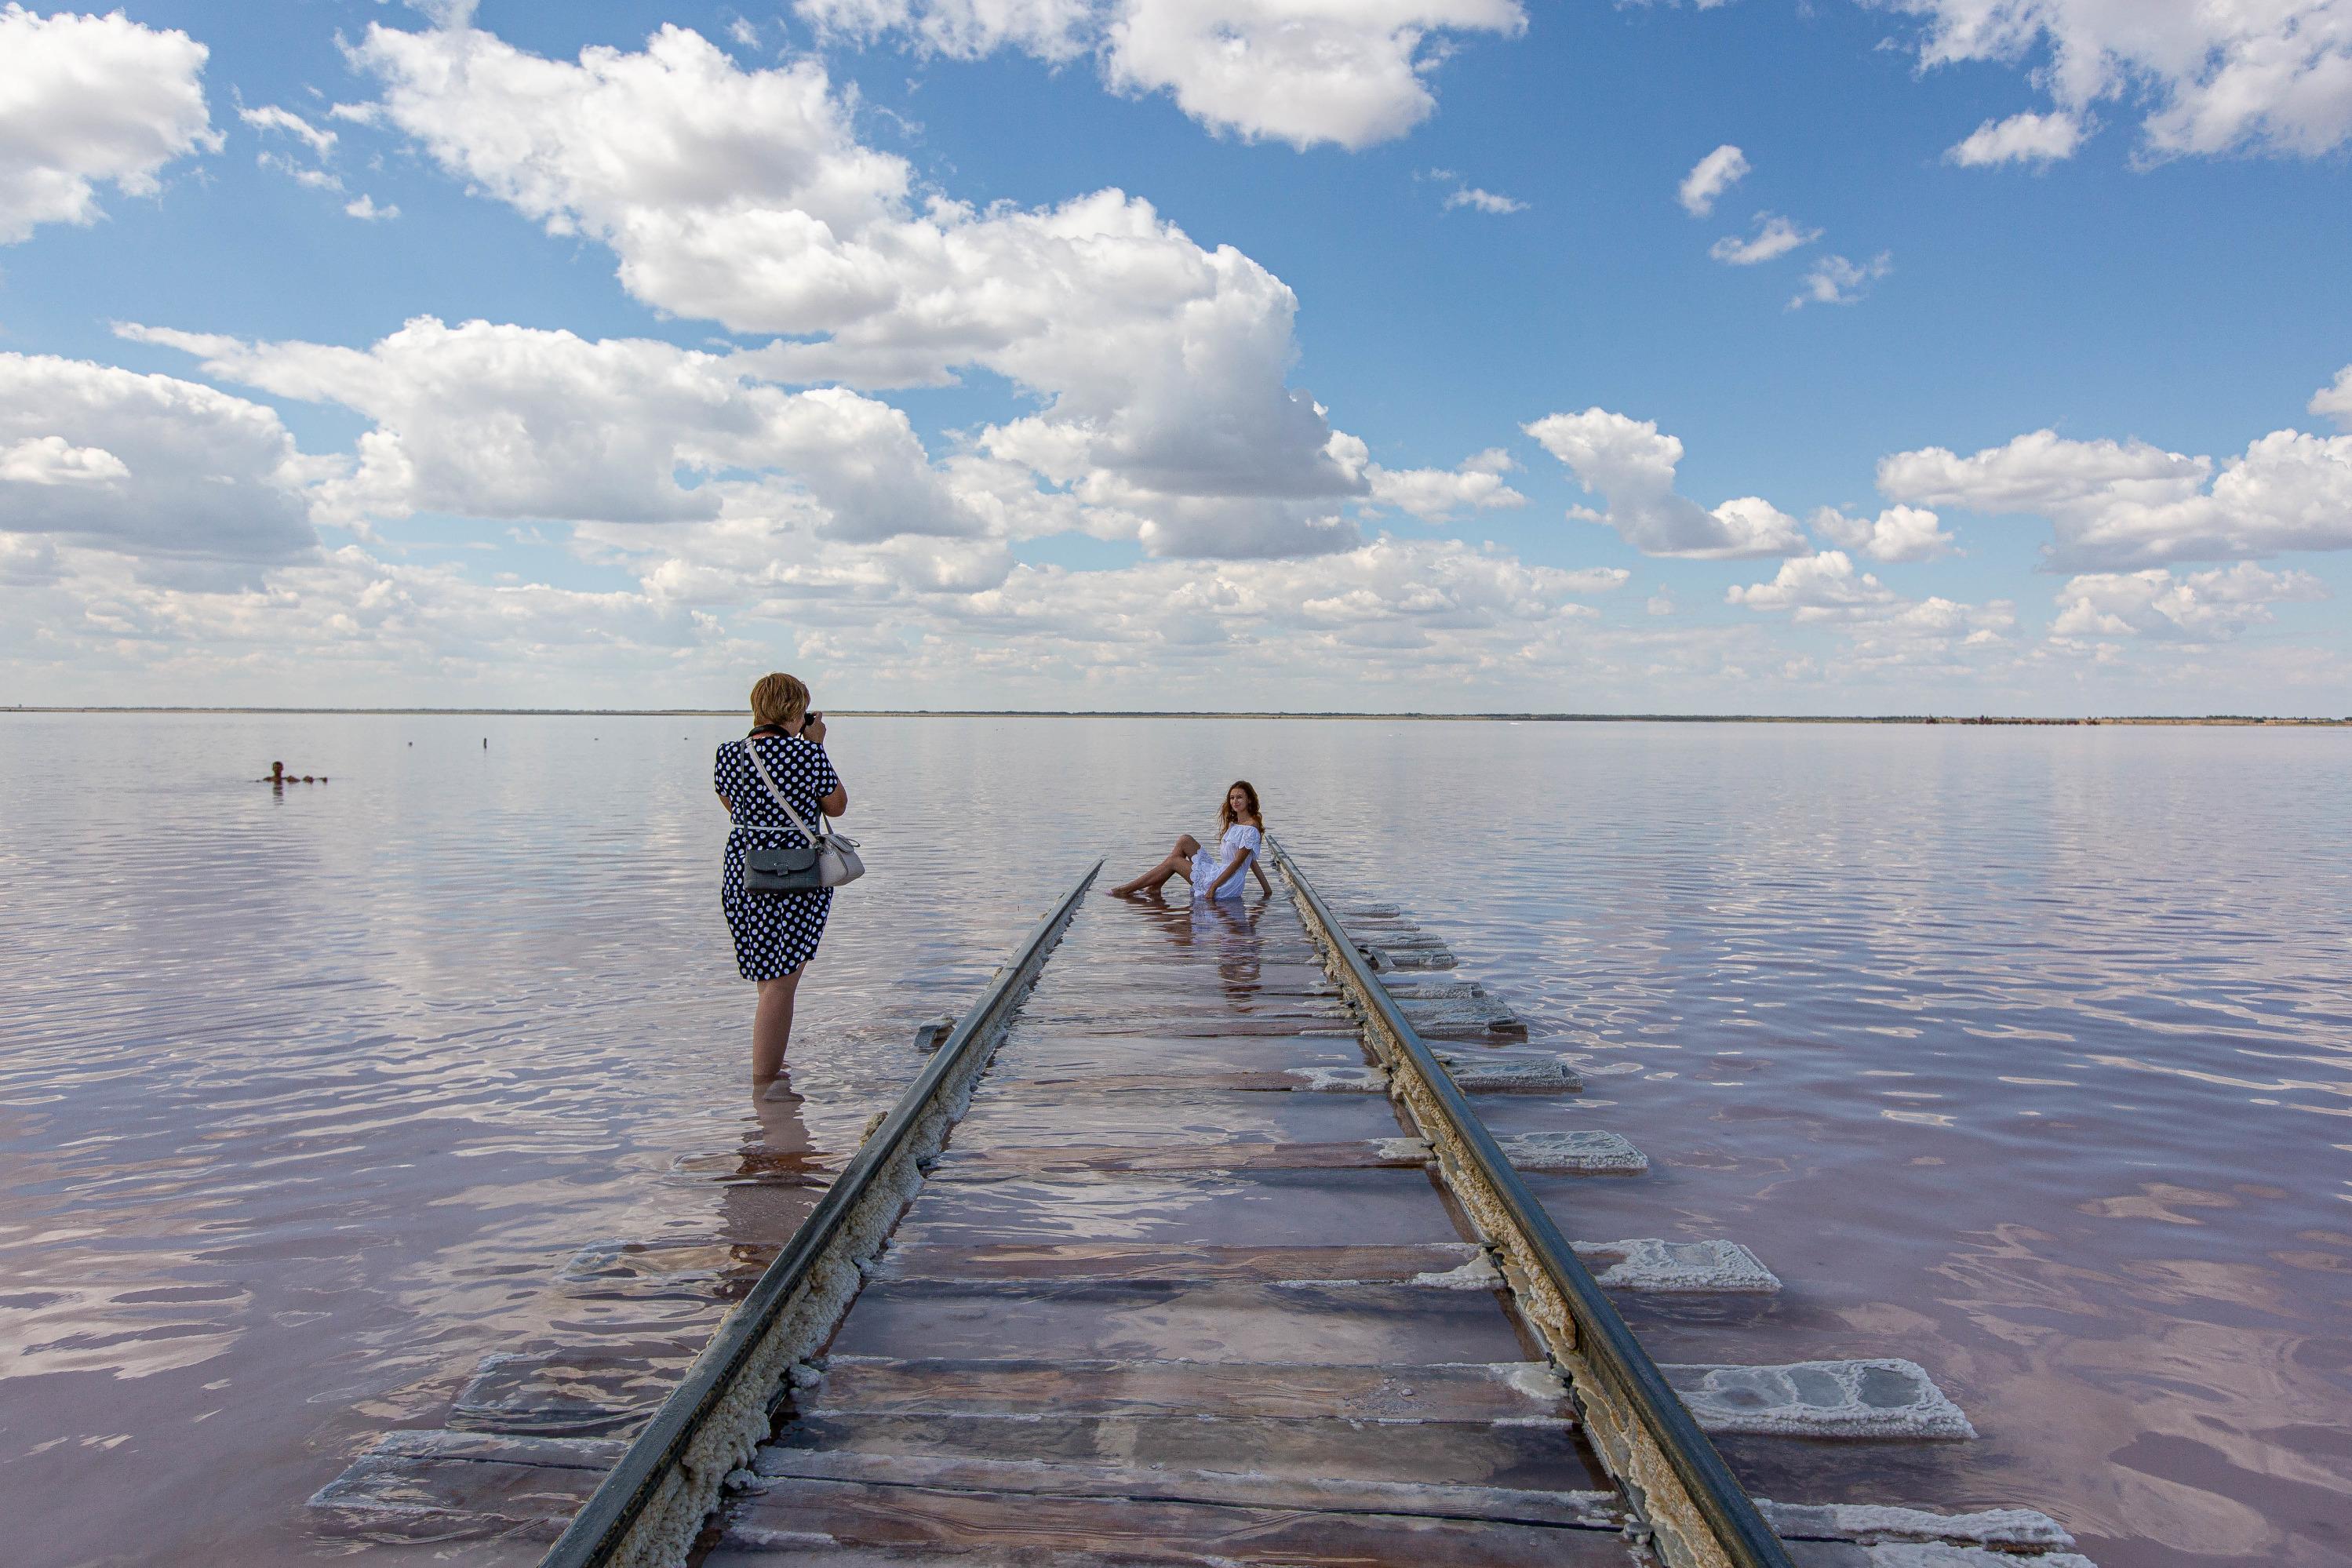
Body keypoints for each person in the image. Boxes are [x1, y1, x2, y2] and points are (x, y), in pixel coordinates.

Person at [715, 673, 847, 1080]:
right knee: (781, 984)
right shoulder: (807, 755)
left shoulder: (728, 754)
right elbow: (838, 806)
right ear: (795, 711)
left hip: (745, 871)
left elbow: (731, 805)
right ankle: (766, 1085)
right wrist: (815, 746)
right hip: (796, 875)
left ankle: (770, 1061)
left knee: (769, 976)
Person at [1110, 780, 1272, 900]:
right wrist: (1267, 891)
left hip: (1226, 884)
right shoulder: (1235, 825)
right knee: (1184, 840)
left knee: (1174, 862)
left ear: (1249, 800)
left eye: (1239, 797)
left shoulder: (1251, 829)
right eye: (1232, 798)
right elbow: (1251, 861)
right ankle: (1155, 886)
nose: (1234, 801)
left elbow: (1238, 863)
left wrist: (1213, 887)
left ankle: (1126, 890)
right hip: (1220, 873)